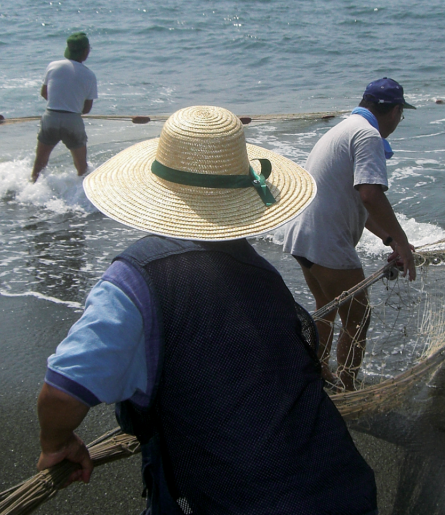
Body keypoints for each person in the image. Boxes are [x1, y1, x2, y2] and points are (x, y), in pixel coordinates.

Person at [36, 105, 377, 514]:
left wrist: (56, 444)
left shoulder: (137, 280)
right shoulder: (263, 275)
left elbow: (62, 392)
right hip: (343, 489)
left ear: (153, 192)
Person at [280, 77, 417, 391]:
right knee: (358, 318)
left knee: (325, 308)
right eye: (401, 115)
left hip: (302, 235)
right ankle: (348, 387)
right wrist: (405, 246)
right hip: (326, 242)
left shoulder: (346, 127)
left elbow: (358, 202)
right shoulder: (368, 135)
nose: (399, 121)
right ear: (395, 112)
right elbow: (370, 195)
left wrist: (391, 239)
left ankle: (314, 374)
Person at [30, 32, 98, 182]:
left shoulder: (53, 66)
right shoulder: (90, 75)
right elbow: (86, 110)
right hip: (73, 121)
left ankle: (30, 193)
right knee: (81, 168)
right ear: (86, 51)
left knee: (39, 164)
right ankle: (81, 198)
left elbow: (44, 93)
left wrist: (60, 101)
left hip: (51, 117)